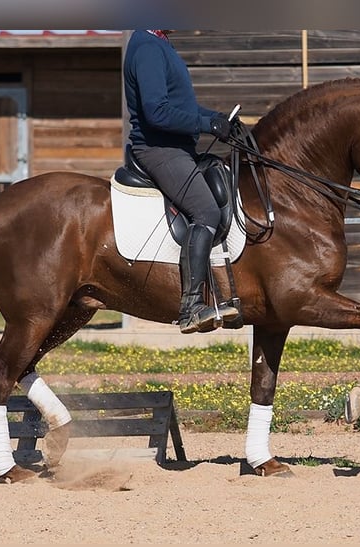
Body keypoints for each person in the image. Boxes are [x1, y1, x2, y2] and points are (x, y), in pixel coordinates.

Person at [123, 29, 238, 334]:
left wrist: (217, 118)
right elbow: (157, 112)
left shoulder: (162, 43)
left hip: (180, 149)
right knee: (206, 212)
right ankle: (191, 307)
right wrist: (205, 124)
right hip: (160, 151)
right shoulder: (147, 47)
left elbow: (183, 108)